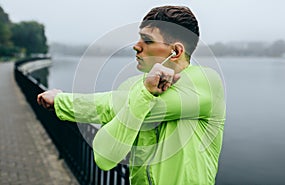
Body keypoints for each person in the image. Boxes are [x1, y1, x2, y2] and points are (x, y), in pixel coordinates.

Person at [37, 5, 226, 185]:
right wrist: (61, 100)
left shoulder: (205, 82)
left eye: (147, 40)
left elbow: (116, 104)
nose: (136, 46)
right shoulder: (142, 86)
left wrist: (62, 101)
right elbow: (113, 103)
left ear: (175, 51)